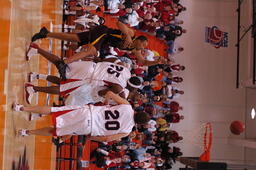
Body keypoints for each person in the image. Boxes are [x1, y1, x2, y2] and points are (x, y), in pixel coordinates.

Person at [12, 91, 150, 142]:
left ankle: (22, 108)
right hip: (88, 128)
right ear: (139, 125)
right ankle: (27, 132)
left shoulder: (127, 106)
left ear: (138, 111)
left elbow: (109, 93)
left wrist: (105, 104)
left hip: (88, 112)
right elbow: (107, 138)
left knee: (55, 110)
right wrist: (92, 137)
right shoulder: (126, 132)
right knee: (57, 131)